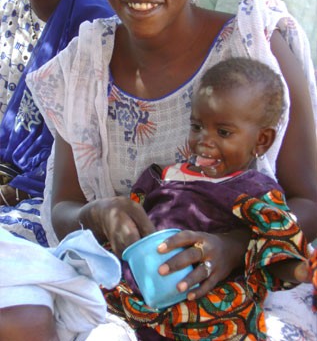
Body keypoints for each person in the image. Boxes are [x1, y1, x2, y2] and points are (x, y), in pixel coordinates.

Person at [26, 0, 317, 339]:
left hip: (250, 280)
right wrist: (99, 214)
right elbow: (64, 208)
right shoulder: (84, 66)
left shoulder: (254, 47)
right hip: (129, 282)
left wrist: (234, 248)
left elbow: (309, 199)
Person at [103, 57, 313, 340]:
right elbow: (131, 220)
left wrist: (301, 271)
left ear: (261, 141)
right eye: (197, 126)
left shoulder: (254, 191)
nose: (205, 140)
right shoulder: (165, 175)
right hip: (140, 298)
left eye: (223, 132)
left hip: (204, 312)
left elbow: (275, 246)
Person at [0, 0, 114, 244]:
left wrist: (13, 190)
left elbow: (88, 140)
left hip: (57, 193)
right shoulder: (7, 12)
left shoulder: (96, 21)